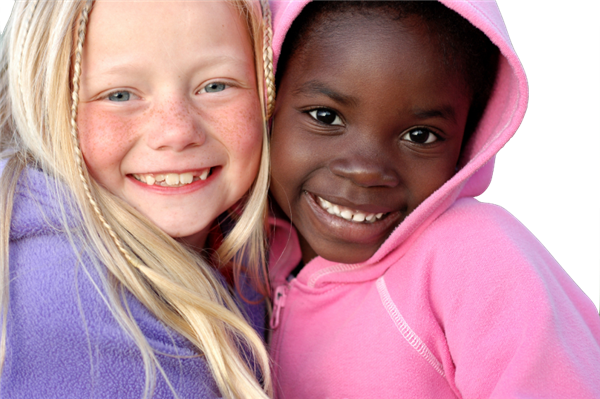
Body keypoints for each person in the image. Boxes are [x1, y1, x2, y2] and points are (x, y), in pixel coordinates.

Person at [266, 0, 600, 397]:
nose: (366, 170)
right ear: (267, 103)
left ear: (468, 145)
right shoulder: (249, 257)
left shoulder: (475, 256)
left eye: (420, 136)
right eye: (325, 116)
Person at [0, 0, 275, 398]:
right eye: (120, 95)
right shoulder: (84, 308)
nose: (177, 131)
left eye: (215, 86)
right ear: (44, 107)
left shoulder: (249, 240)